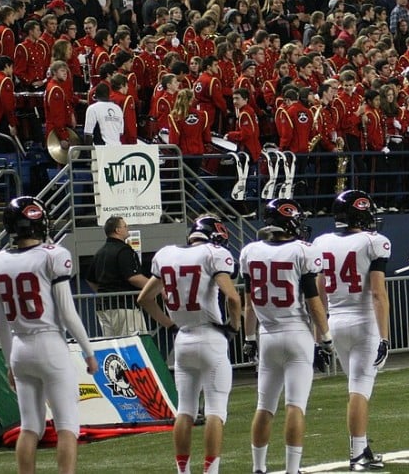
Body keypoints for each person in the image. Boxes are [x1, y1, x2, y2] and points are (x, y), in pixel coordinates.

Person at [0, 197, 97, 474]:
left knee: (30, 427)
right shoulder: (53, 254)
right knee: (67, 426)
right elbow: (67, 311)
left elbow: (1, 324)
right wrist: (88, 351)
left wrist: (8, 364)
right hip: (49, 343)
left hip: (19, 348)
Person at [136, 216, 241, 474]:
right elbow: (233, 298)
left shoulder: (166, 254)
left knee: (184, 411)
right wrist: (234, 327)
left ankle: (183, 471)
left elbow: (144, 298)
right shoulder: (213, 254)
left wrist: (170, 324)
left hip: (183, 340)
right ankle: (210, 471)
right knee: (216, 410)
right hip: (211, 337)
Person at [240, 198, 331, 474]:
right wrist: (325, 338)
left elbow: (248, 304)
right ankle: (292, 469)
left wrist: (249, 339)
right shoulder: (302, 251)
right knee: (295, 406)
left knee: (265, 406)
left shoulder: (250, 251)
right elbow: (314, 302)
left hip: (267, 334)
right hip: (297, 333)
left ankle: (258, 468)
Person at [311, 190, 390, 471]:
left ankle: (362, 448)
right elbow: (378, 293)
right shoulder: (373, 242)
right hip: (363, 321)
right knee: (360, 388)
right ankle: (357, 455)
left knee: (353, 387)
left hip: (335, 320)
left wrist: (320, 336)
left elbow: (318, 294)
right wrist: (384, 337)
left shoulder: (322, 242)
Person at [87, 215, 148, 336]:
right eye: (125, 226)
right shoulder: (124, 251)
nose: (127, 228)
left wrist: (104, 292)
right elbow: (134, 277)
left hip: (103, 307)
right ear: (118, 230)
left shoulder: (100, 252)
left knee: (113, 345)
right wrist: (157, 287)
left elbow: (90, 279)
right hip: (124, 307)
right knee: (133, 344)